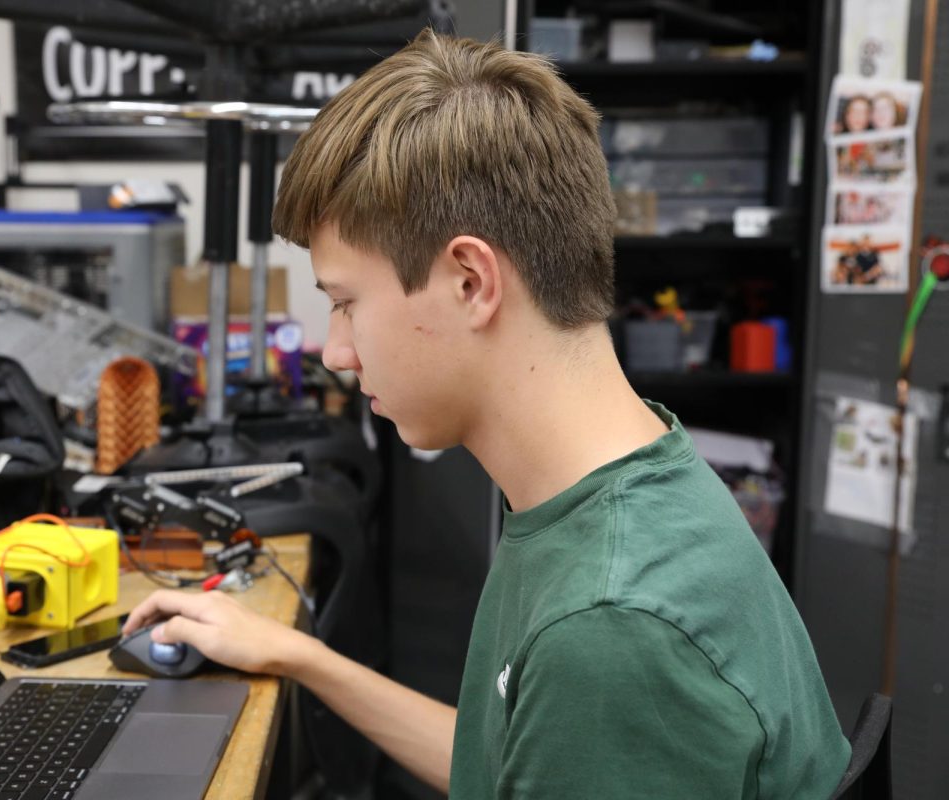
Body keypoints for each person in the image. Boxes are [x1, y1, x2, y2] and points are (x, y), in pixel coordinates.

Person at [125, 30, 851, 798]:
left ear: (470, 281)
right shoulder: (613, 487)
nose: (335, 352)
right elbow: (514, 766)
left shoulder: (609, 626)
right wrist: (300, 656)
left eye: (345, 304)